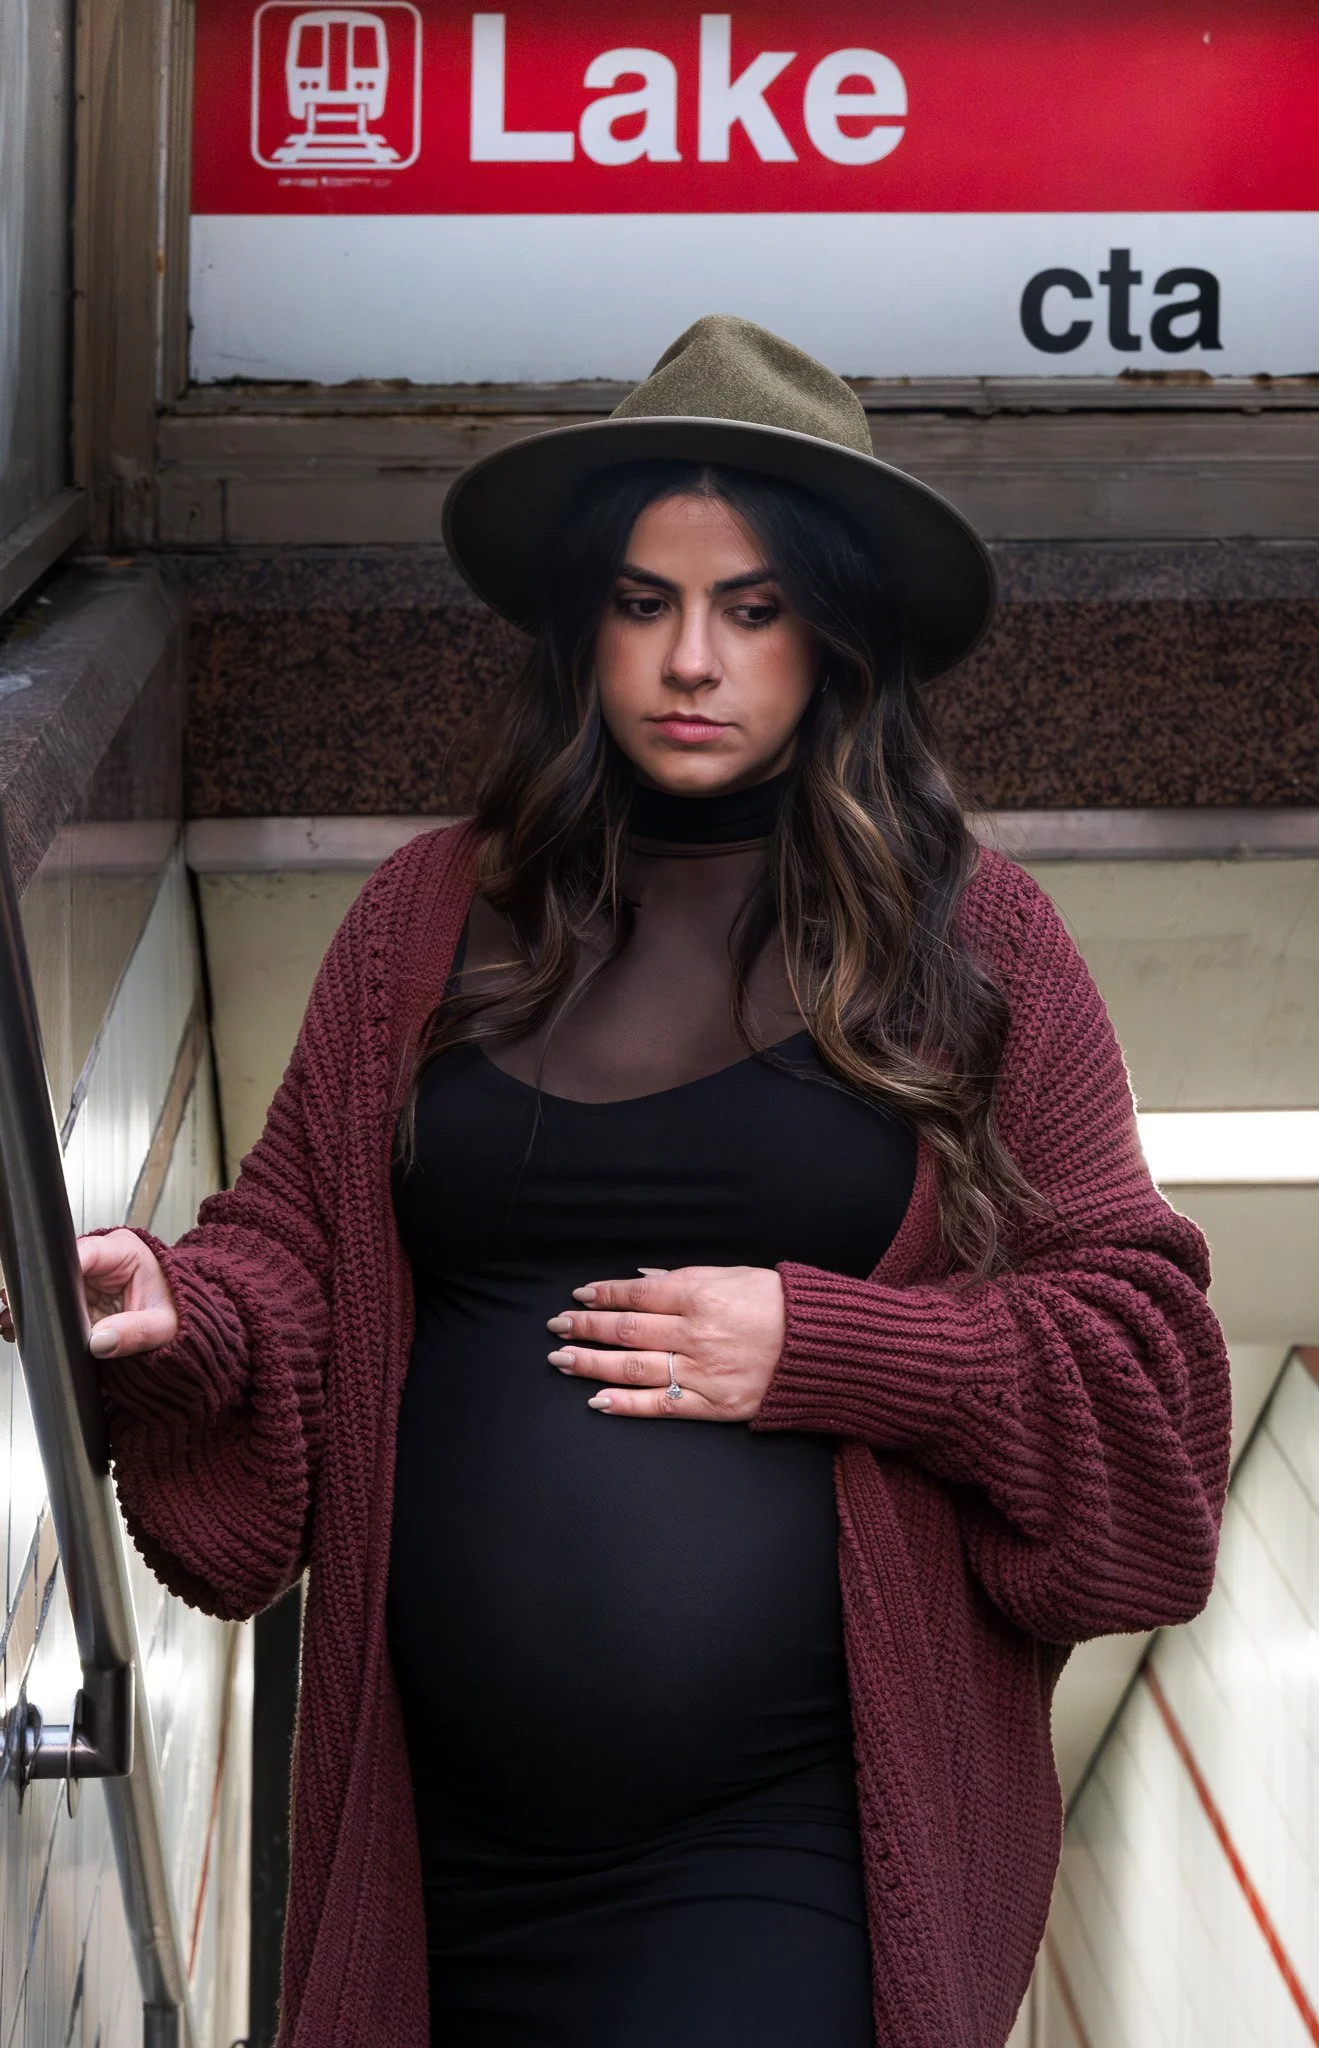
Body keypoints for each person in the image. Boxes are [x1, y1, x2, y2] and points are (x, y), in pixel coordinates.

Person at [44, 318, 1233, 2046]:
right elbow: (292, 1257)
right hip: (441, 1853)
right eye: (642, 602)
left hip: (787, 1844)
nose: (690, 659)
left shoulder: (973, 942)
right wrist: (183, 1306)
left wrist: (830, 1350)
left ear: (833, 636)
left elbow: (1143, 1381)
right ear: (578, 624)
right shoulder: (424, 916)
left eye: (750, 610)